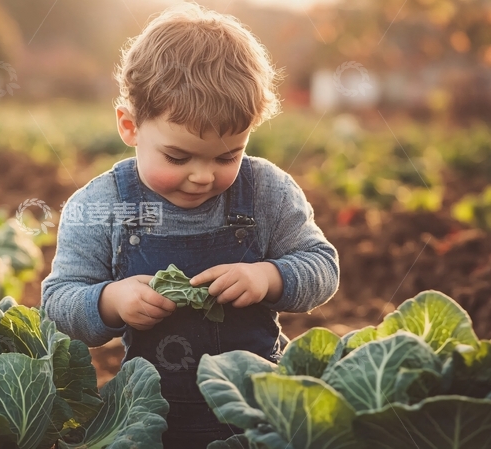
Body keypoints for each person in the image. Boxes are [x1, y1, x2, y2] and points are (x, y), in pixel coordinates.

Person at [41, 2, 339, 447]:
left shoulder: (267, 192)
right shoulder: (101, 204)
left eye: (227, 156)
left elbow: (323, 267)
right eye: (177, 158)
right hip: (153, 419)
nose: (203, 176)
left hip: (260, 411)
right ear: (130, 126)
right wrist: (111, 301)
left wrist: (269, 276)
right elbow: (58, 305)